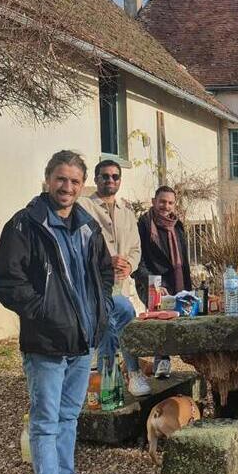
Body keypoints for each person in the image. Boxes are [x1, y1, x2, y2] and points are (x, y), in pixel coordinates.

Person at [0, 151, 112, 474]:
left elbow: (104, 272)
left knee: (69, 416)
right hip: (44, 342)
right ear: (47, 179)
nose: (68, 187)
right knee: (45, 423)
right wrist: (42, 310)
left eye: (75, 182)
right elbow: (6, 280)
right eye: (61, 179)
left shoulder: (88, 226)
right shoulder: (25, 225)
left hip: (81, 342)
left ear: (82, 186)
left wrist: (102, 308)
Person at [77, 159, 150, 396]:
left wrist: (130, 265)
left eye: (115, 176)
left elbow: (136, 249)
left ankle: (126, 375)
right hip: (96, 283)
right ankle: (116, 376)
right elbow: (80, 245)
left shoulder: (127, 212)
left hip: (123, 282)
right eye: (105, 176)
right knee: (111, 325)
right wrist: (107, 261)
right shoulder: (83, 208)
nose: (110, 180)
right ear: (96, 179)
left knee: (120, 325)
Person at [135, 185, 192, 378]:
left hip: (176, 279)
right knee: (160, 322)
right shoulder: (144, 224)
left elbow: (183, 260)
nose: (165, 206)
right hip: (153, 282)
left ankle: (186, 360)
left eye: (170, 203)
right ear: (153, 202)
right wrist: (154, 284)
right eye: (162, 202)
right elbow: (137, 259)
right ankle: (162, 364)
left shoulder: (177, 225)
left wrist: (188, 286)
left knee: (178, 320)